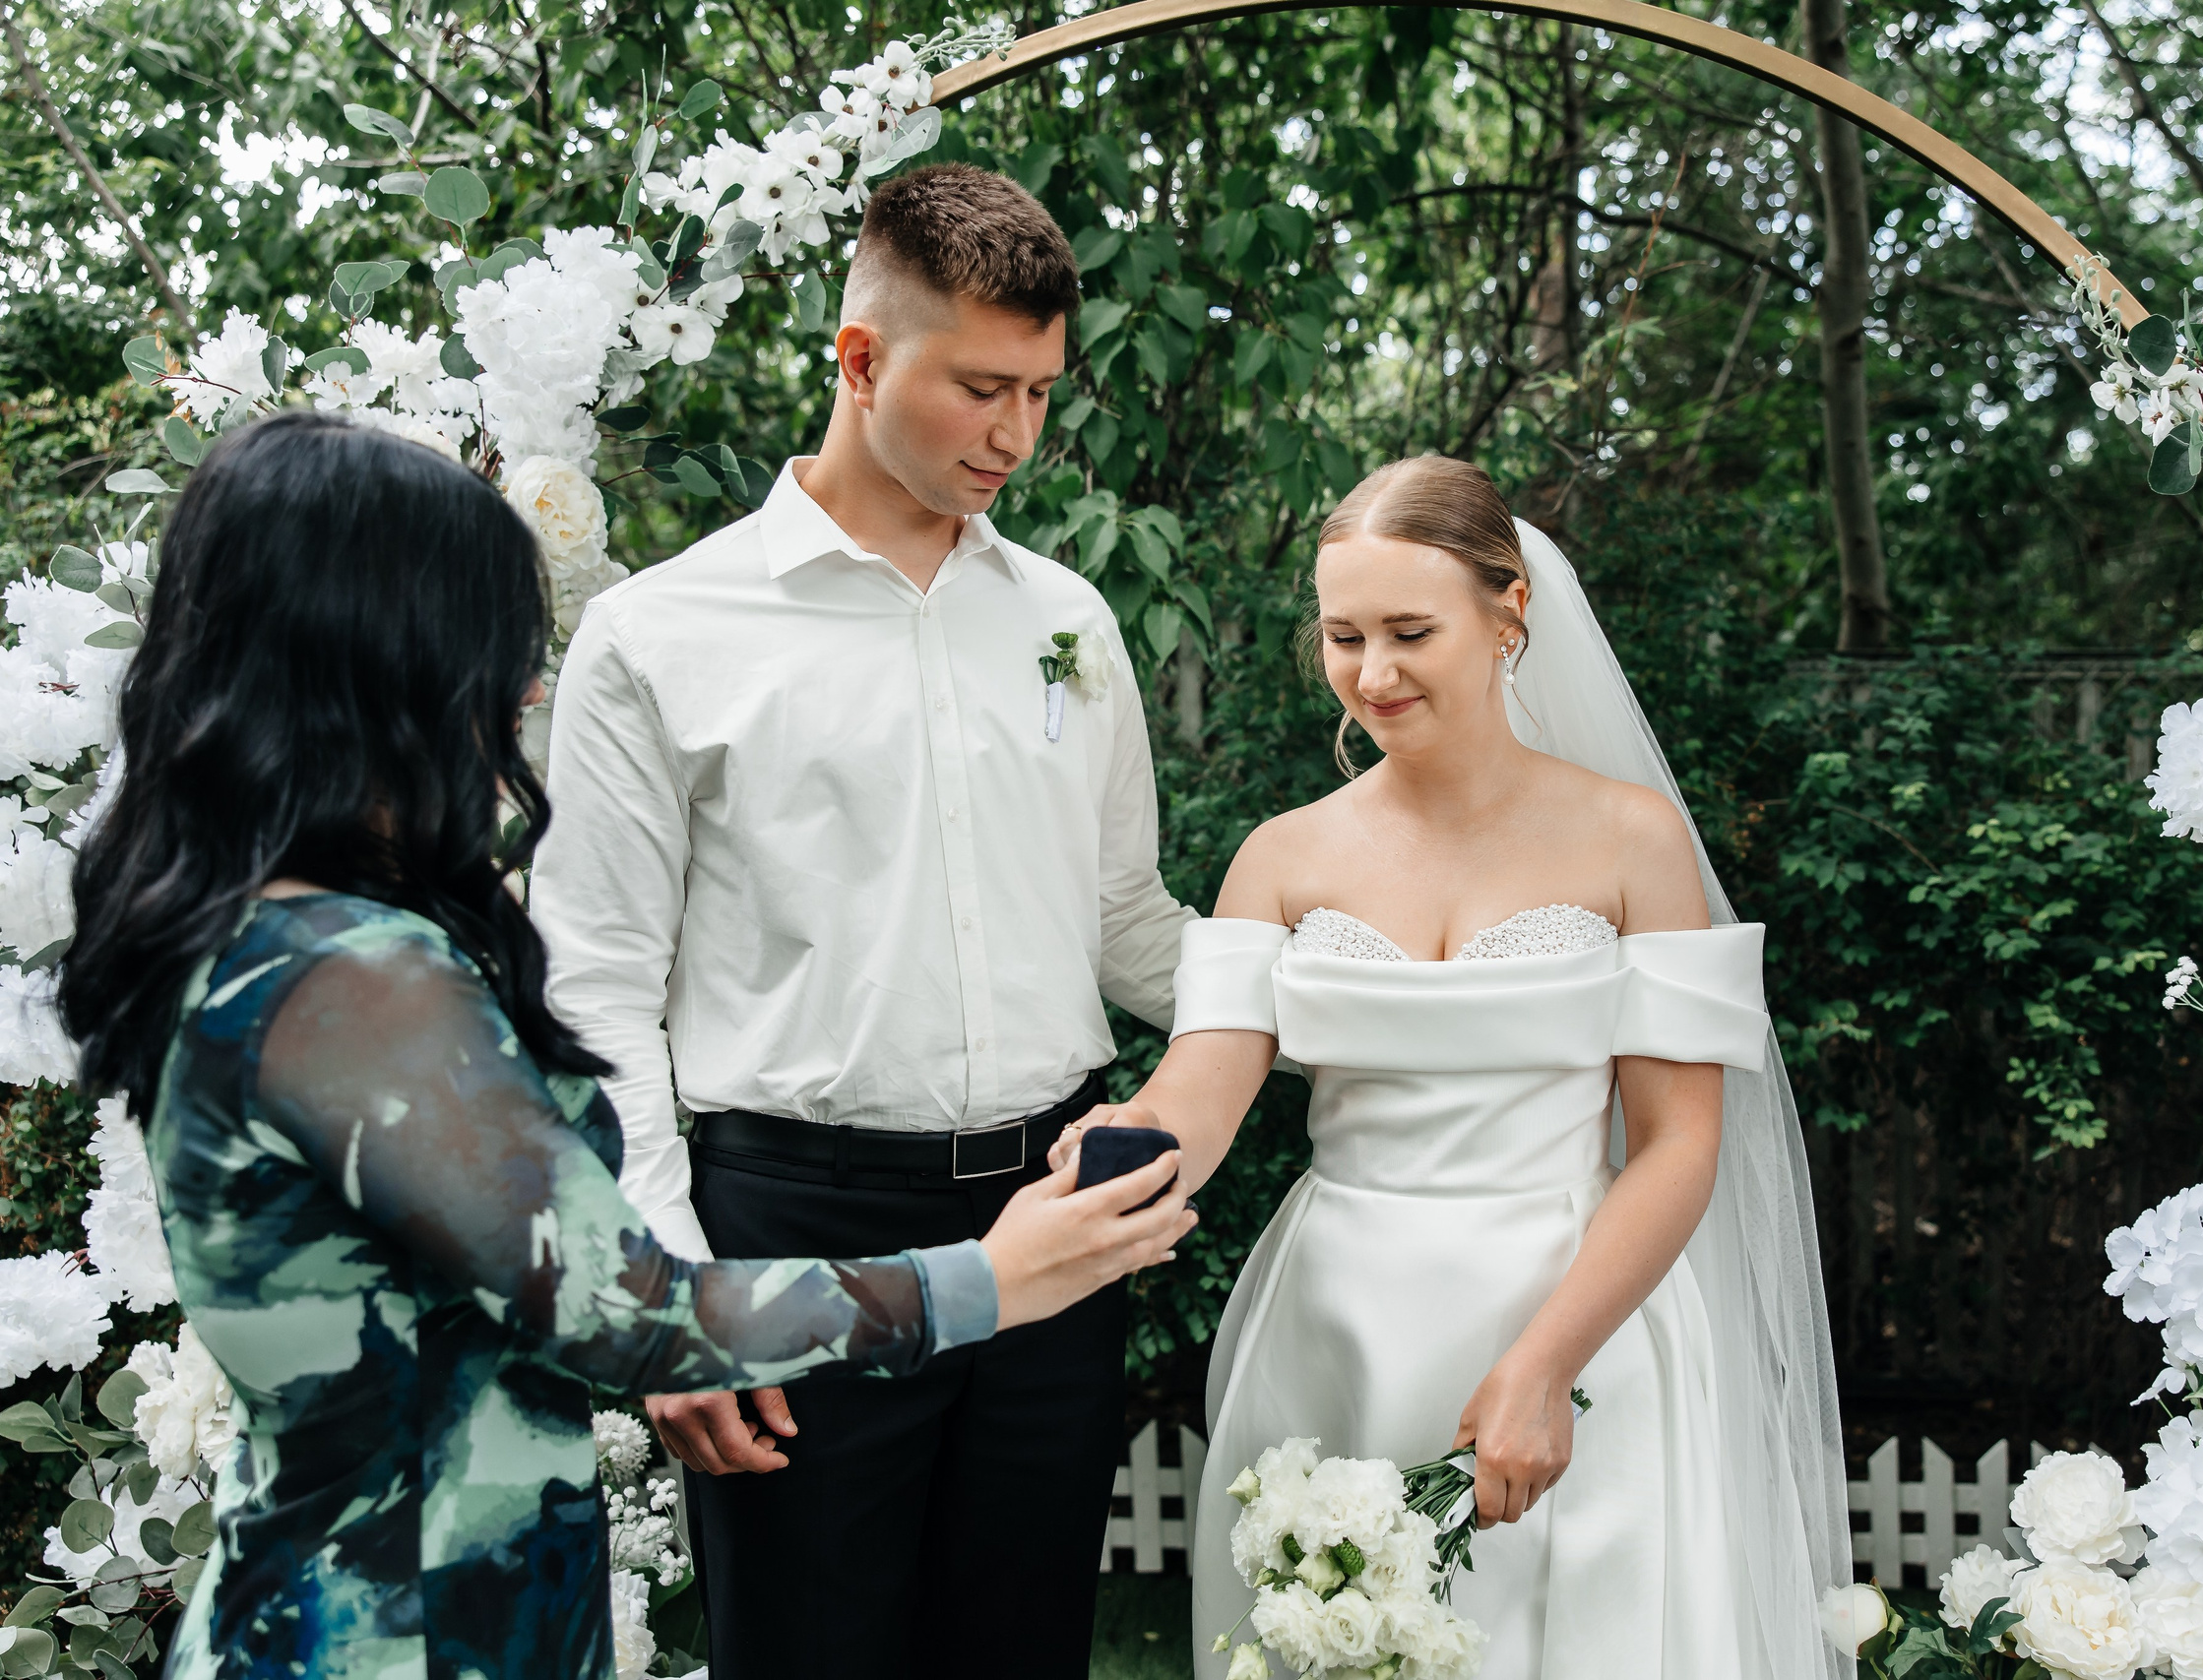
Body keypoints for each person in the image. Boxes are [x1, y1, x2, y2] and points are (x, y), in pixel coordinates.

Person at [51, 410, 1195, 1680]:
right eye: (487, 644)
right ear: (371, 659)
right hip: (394, 1630)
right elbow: (630, 1316)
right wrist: (1001, 1274)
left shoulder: (266, 935)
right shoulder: (347, 983)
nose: (521, 687)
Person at [529, 162, 1197, 1677]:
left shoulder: (1068, 622)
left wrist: (1369, 971)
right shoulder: (658, 636)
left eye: (1038, 393)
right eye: (980, 388)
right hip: (791, 1237)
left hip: (1055, 1224)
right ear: (858, 356)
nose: (1017, 437)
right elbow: (597, 992)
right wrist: (668, 1304)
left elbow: (1128, 927)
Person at [1054, 456, 1852, 1678]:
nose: (1372, 674)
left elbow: (1681, 1142)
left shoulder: (1633, 841)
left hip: (1578, 1314)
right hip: (1335, 1324)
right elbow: (1199, 1089)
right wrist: (1131, 1143)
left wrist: (1541, 1367)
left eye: (1409, 632)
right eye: (1342, 636)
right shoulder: (1281, 856)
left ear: (1507, 613)